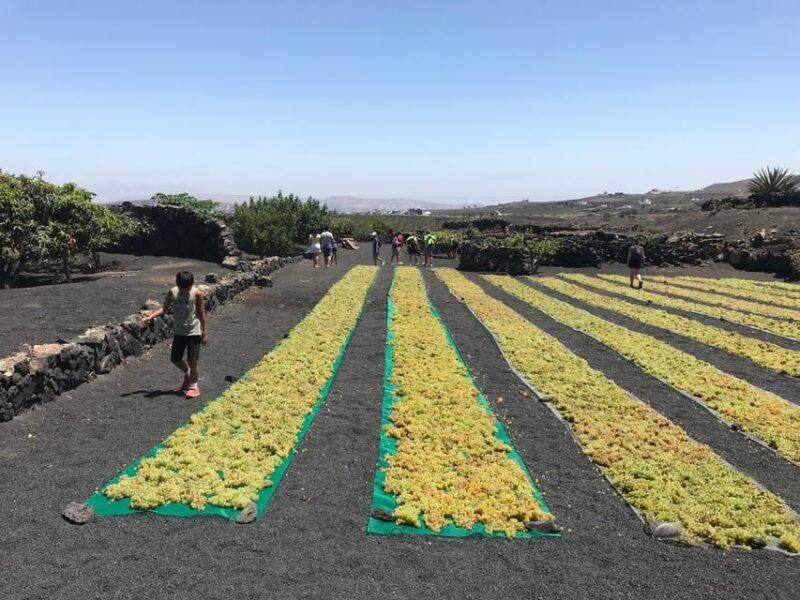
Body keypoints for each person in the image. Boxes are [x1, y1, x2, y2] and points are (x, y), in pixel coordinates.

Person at [142, 270, 208, 398]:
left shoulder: (197, 294)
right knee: (175, 359)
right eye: (182, 288)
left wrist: (204, 333)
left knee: (192, 360)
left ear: (192, 284)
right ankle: (189, 374)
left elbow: (201, 314)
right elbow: (164, 308)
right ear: (177, 284)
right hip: (179, 332)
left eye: (187, 289)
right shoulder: (173, 292)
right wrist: (150, 316)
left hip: (193, 332)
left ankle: (194, 386)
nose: (184, 291)